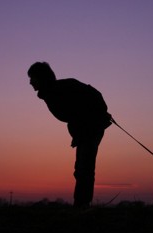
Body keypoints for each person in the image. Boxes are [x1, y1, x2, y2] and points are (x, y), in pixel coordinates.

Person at [28, 62, 111, 208]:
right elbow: (73, 114)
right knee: (83, 167)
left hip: (91, 128)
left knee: (84, 167)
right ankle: (81, 203)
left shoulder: (60, 89)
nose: (30, 82)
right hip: (88, 129)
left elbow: (79, 110)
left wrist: (85, 127)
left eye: (32, 78)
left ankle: (82, 204)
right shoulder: (53, 92)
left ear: (41, 78)